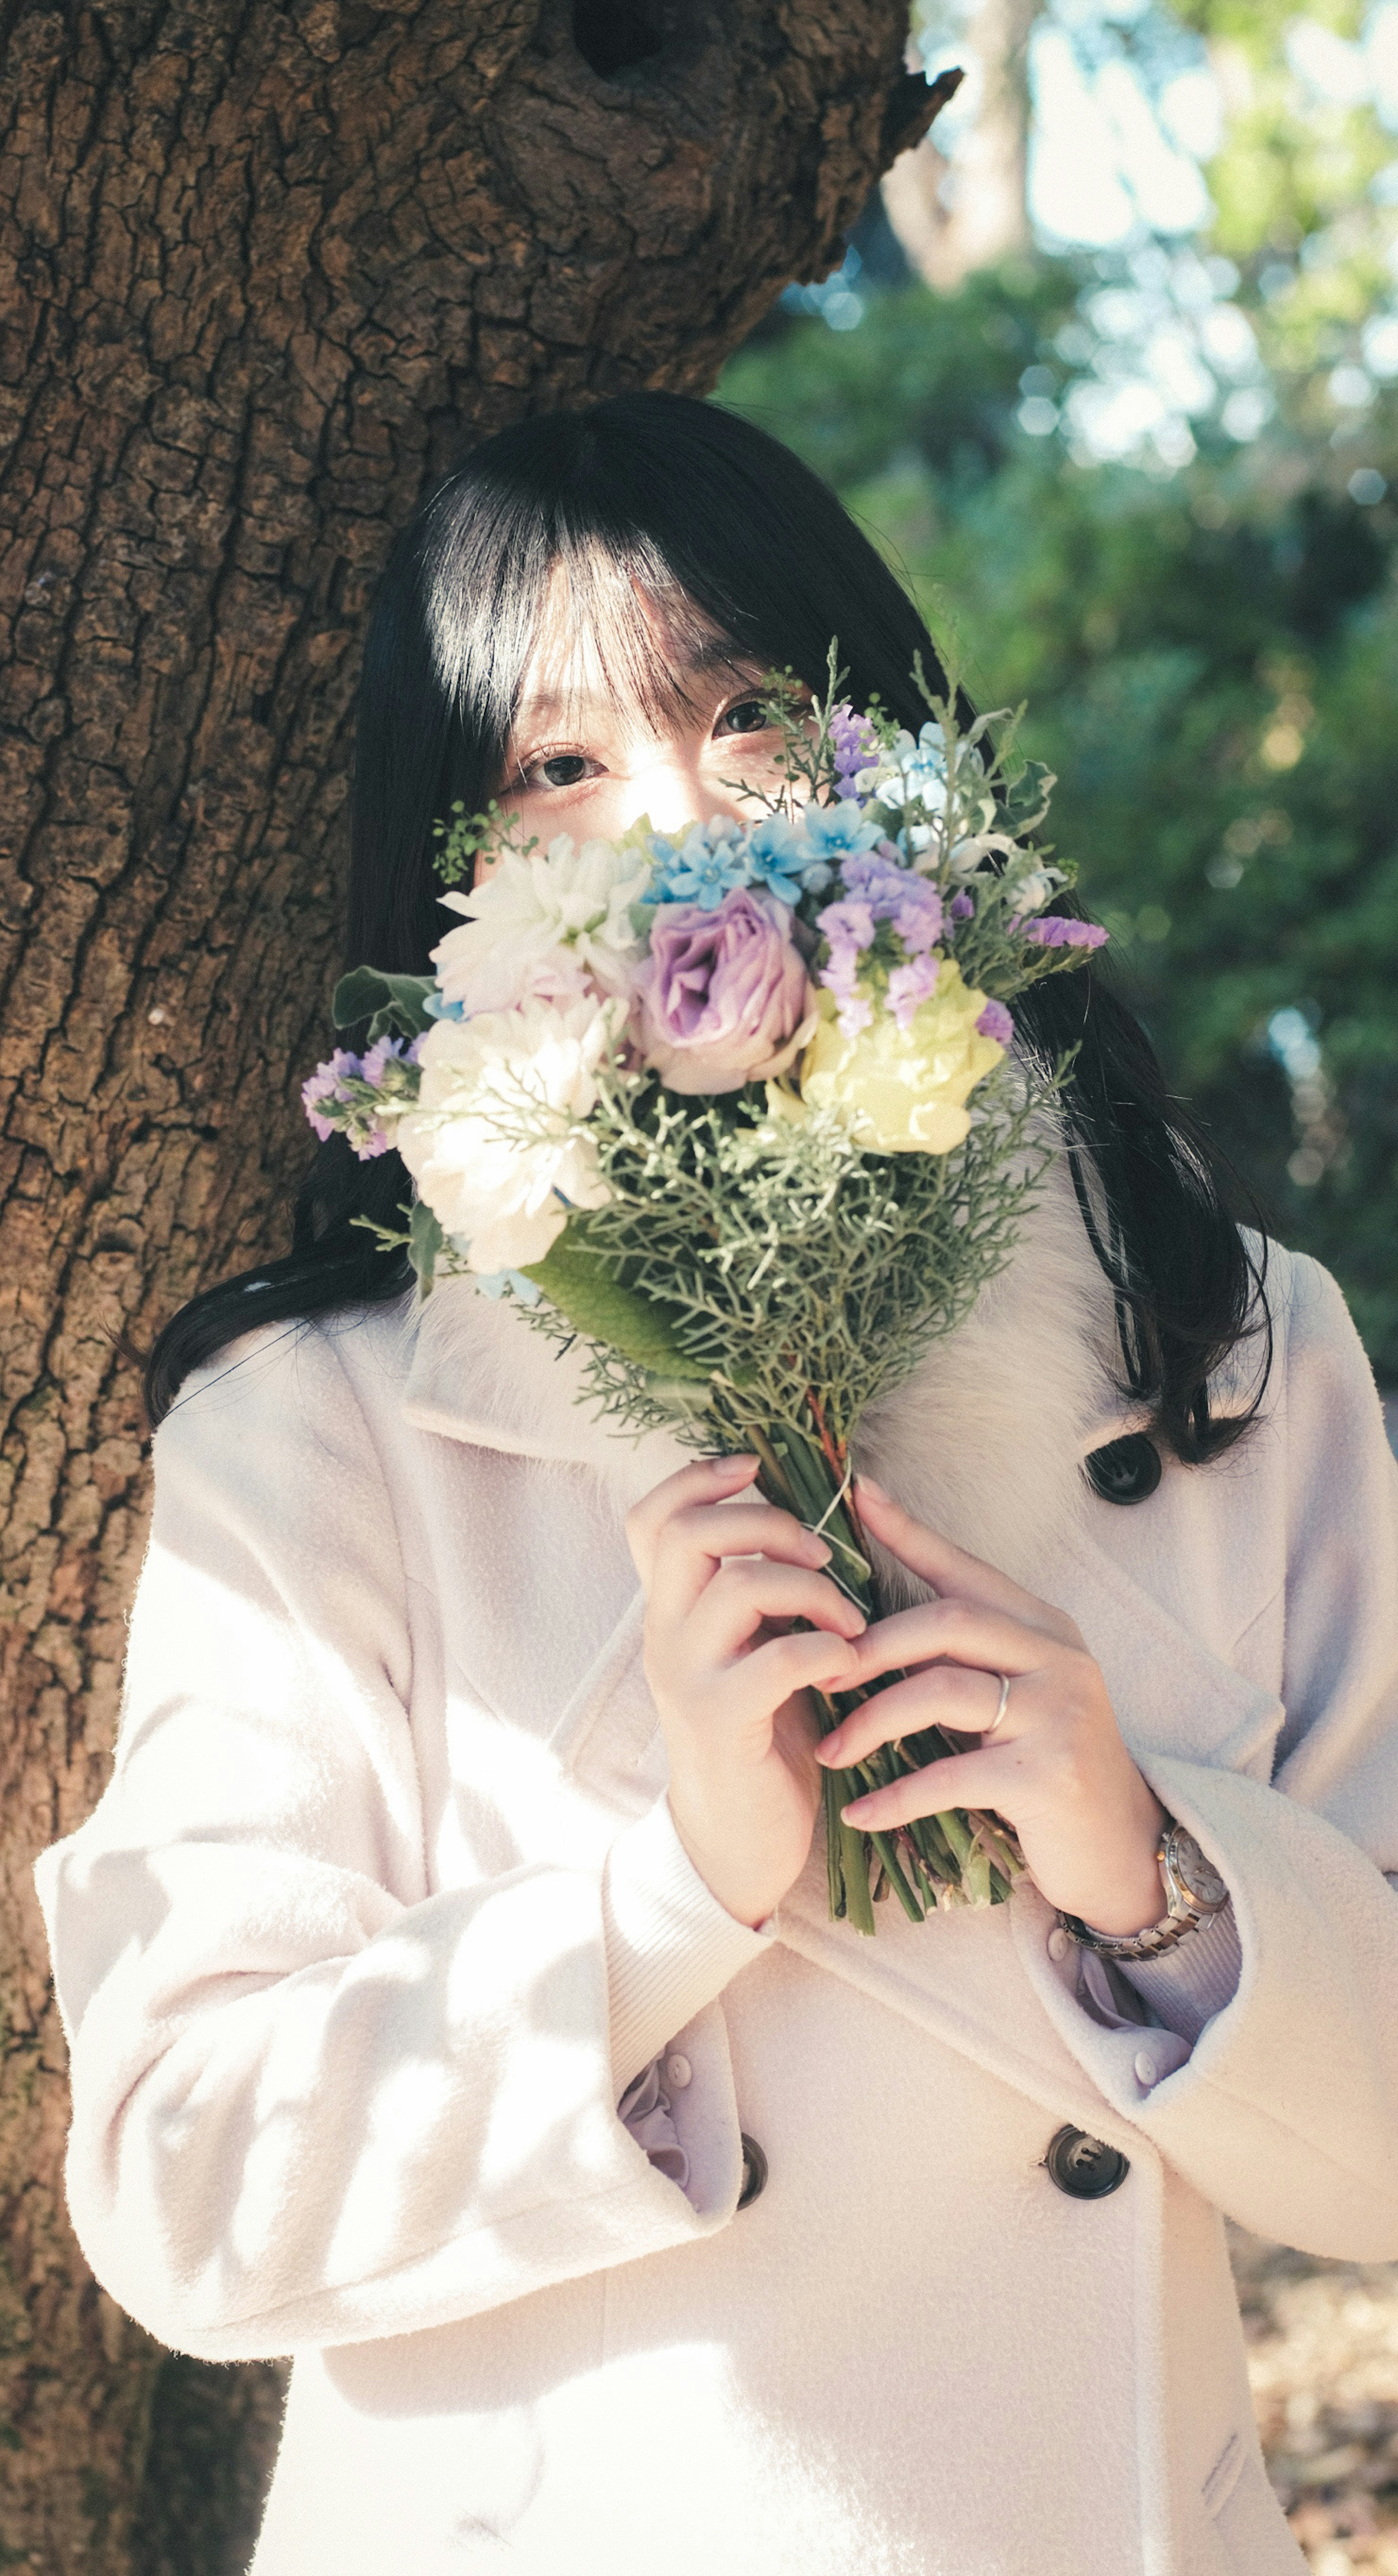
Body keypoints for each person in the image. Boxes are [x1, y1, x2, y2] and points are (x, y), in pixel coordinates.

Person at [36, 394, 1398, 2576]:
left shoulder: (1230, 1353)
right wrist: (669, 1890)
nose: (680, 817)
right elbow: (185, 2189)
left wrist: (1144, 1861)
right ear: (458, 875)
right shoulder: (326, 1428)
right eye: (559, 765)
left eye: (752, 711)